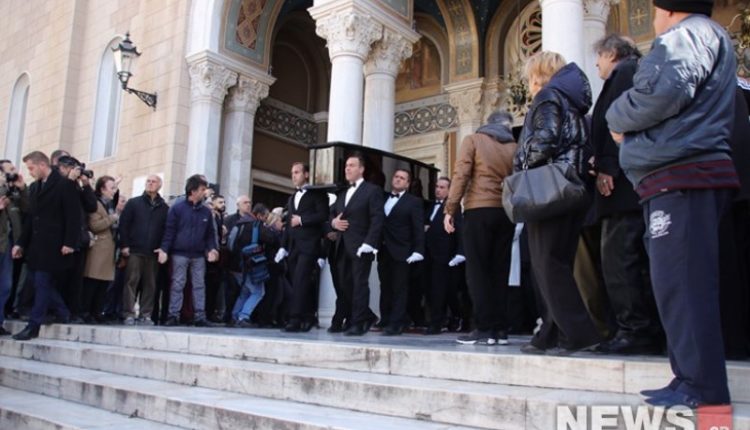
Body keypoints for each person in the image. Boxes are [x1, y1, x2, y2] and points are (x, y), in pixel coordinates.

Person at [606, 0, 737, 407]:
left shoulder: (686, 35)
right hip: (677, 176)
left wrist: (615, 115)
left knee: (684, 285)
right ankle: (687, 378)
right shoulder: (700, 34)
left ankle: (703, 387)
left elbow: (663, 91)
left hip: (683, 175)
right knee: (675, 285)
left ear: (668, 9)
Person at [515, 52, 602, 355]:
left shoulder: (548, 96)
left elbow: (546, 138)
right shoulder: (573, 102)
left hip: (549, 189)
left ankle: (580, 334)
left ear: (537, 74)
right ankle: (550, 333)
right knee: (556, 263)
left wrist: (522, 163)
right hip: (572, 188)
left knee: (547, 264)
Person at [590, 34, 661, 355]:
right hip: (629, 182)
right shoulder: (633, 71)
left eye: (599, 57)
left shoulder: (625, 72)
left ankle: (634, 330)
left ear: (612, 53)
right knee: (628, 257)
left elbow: (617, 120)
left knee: (620, 258)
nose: (596, 64)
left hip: (621, 187)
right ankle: (640, 328)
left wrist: (607, 166)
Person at [444, 110, 517, 345]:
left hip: (478, 209)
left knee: (477, 271)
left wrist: (450, 208)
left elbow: (461, 174)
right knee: (500, 271)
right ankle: (500, 329)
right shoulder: (514, 147)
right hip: (505, 212)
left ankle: (484, 327)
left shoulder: (473, 140)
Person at [12, 151, 80, 340]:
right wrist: (20, 243)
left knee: (42, 283)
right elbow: (31, 218)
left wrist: (69, 242)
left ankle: (34, 325)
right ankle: (63, 311)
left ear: (42, 165)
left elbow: (73, 216)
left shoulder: (64, 184)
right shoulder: (35, 187)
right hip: (36, 246)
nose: (30, 172)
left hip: (54, 245)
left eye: (31, 168)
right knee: (38, 282)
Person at [330, 153, 384, 335]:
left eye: (352, 165)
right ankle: (366, 316)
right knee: (345, 285)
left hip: (361, 246)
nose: (347, 168)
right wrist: (333, 223)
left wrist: (369, 243)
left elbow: (377, 219)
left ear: (361, 169)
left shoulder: (372, 191)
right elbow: (331, 215)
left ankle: (359, 322)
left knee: (360, 284)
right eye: (346, 165)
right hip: (341, 246)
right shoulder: (342, 194)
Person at [158, 174, 219, 326]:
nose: (205, 192)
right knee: (177, 284)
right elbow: (169, 231)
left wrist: (212, 249)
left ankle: (200, 316)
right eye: (202, 189)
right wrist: (164, 250)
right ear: (193, 191)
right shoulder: (177, 209)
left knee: (199, 285)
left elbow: (210, 234)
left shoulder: (206, 212)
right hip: (179, 253)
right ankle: (173, 315)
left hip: (199, 255)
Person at [275, 162, 328, 332]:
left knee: (300, 281)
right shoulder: (292, 198)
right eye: (292, 172)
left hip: (309, 246)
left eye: (297, 172)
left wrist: (302, 220)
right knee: (297, 283)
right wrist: (283, 247)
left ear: (306, 174)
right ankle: (307, 317)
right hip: (293, 247)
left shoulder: (317, 194)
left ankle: (295, 319)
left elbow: (323, 215)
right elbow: (288, 225)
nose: (293, 175)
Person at [377, 169, 425, 335]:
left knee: (400, 288)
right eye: (396, 176)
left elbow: (418, 228)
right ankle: (385, 319)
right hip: (383, 250)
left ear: (408, 184)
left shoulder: (414, 202)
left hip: (403, 251)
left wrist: (418, 250)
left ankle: (397, 323)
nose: (398, 179)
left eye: (402, 178)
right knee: (385, 286)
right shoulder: (383, 198)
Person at [119, 174, 168, 325]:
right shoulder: (134, 203)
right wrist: (124, 245)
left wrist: (163, 248)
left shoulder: (164, 208)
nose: (150, 183)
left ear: (159, 185)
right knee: (131, 282)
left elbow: (166, 230)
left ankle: (145, 314)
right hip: (135, 250)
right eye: (148, 181)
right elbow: (124, 225)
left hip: (153, 252)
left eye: (154, 181)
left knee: (150, 284)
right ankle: (128, 313)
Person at [424, 177, 465, 335]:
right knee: (431, 289)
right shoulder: (429, 207)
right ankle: (436, 319)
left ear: (449, 190)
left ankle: (437, 322)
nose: (438, 190)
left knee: (441, 290)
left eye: (442, 187)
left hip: (444, 255)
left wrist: (460, 252)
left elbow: (460, 229)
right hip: (428, 254)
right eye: (437, 186)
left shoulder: (454, 207)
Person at [226, 204, 279, 327]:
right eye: (266, 216)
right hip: (250, 264)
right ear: (259, 215)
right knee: (258, 292)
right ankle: (243, 316)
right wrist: (272, 228)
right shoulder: (256, 226)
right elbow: (272, 240)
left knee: (245, 291)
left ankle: (234, 316)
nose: (266, 219)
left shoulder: (239, 224)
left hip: (235, 264)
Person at [80, 175, 119, 323]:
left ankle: (97, 312)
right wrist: (112, 218)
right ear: (102, 189)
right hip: (98, 249)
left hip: (108, 249)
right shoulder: (96, 204)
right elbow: (95, 225)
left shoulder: (109, 204)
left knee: (103, 285)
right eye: (111, 188)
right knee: (92, 283)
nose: (114, 191)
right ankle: (87, 312)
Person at [0, 161, 27, 335]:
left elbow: (29, 208)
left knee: (6, 285)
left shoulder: (15, 193)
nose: (14, 172)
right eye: (9, 170)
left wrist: (22, 188)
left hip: (10, 244)